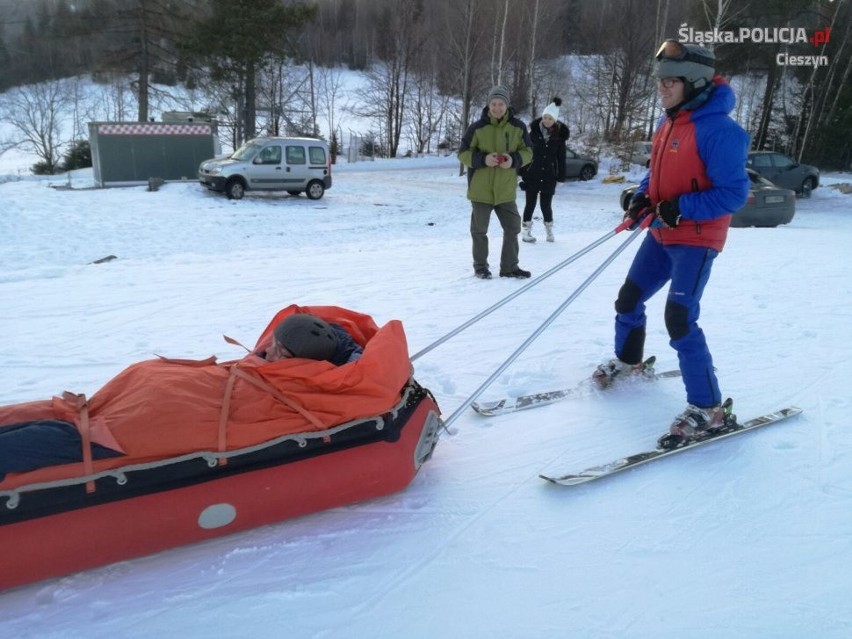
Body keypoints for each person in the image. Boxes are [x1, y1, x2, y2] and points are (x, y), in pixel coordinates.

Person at [592, 39, 750, 443]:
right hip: (662, 232)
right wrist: (642, 196)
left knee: (680, 319)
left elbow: (733, 194)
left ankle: (708, 408)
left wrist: (680, 208)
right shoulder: (669, 122)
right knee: (628, 299)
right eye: (660, 80)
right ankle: (629, 362)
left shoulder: (721, 131)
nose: (661, 88)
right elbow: (657, 175)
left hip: (695, 240)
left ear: (694, 82)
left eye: (670, 81)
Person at [0, 313, 364, 482]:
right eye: (273, 343)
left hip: (147, 427)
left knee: (58, 438)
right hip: (144, 402)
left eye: (280, 351)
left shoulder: (306, 390)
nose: (268, 350)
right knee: (58, 421)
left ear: (301, 361)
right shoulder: (265, 364)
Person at [458, 85, 533, 279]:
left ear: (507, 105)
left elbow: (529, 152)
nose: (497, 108)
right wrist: (483, 159)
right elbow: (463, 153)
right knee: (479, 231)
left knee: (513, 228)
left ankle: (509, 267)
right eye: (493, 104)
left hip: (506, 191)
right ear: (488, 105)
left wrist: (513, 160)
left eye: (500, 104)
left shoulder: (518, 127)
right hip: (480, 190)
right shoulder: (477, 128)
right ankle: (481, 267)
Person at [519, 97, 569, 243]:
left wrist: (560, 177)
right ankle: (526, 232)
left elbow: (561, 159)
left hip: (548, 176)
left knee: (546, 205)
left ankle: (549, 230)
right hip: (532, 174)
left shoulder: (559, 138)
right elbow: (524, 153)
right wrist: (520, 174)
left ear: (555, 120)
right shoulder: (532, 134)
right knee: (530, 204)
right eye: (545, 117)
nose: (547, 120)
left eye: (550, 118)